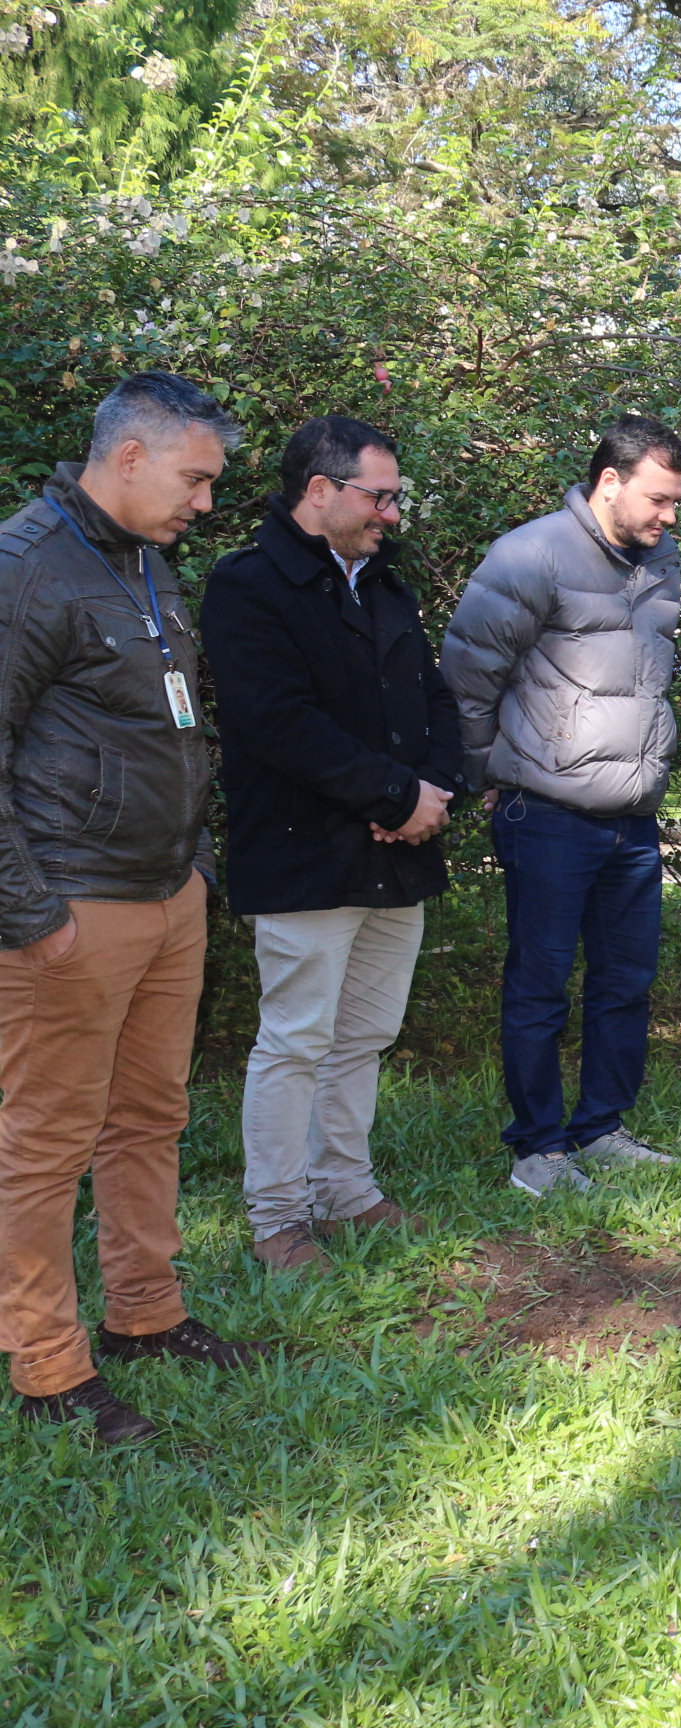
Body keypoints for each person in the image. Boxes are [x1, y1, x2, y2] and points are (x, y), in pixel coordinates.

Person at [0, 372, 266, 1445]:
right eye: (195, 478)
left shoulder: (144, 562)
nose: (205, 502)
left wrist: (192, 868)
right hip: (70, 904)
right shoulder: (26, 569)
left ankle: (146, 1314)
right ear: (128, 458)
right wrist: (31, 915)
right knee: (44, 1142)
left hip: (166, 895)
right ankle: (48, 1369)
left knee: (150, 1116)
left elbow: (174, 727)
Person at [201, 415, 462, 1273]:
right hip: (302, 853)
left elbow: (436, 702)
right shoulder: (248, 586)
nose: (392, 513)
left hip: (397, 852)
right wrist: (394, 793)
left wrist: (429, 792)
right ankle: (278, 1217)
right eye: (378, 496)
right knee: (297, 1040)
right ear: (320, 490)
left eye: (394, 497)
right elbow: (277, 723)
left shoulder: (387, 586)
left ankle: (345, 1192)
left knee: (365, 1036)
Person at [443, 414, 681, 1196]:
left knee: (626, 982)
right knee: (540, 984)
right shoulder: (531, 553)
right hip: (546, 814)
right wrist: (490, 771)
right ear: (608, 482)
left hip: (634, 816)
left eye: (677, 502)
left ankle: (602, 1128)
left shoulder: (662, 559)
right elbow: (468, 674)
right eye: (658, 499)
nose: (669, 517)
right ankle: (538, 1149)